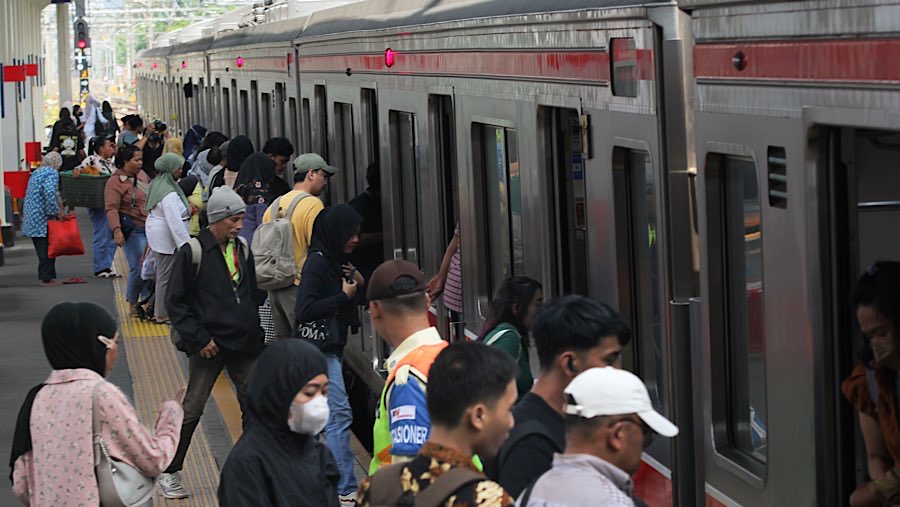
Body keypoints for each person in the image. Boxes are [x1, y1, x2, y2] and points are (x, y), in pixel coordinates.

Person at [10, 302, 183, 505]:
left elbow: (21, 483)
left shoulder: (36, 398)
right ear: (99, 346)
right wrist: (171, 414)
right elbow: (154, 459)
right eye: (115, 342)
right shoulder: (101, 395)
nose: (116, 353)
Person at [162, 186, 265, 499]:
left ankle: (249, 470)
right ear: (217, 219)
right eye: (234, 219)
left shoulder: (242, 248)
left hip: (244, 342)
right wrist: (199, 338)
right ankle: (169, 470)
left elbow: (251, 291)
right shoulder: (191, 252)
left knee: (254, 403)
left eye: (240, 219)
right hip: (209, 344)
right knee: (193, 406)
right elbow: (175, 302)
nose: (239, 225)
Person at [486, 295, 632, 498]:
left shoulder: (558, 423)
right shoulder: (531, 446)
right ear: (569, 363)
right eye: (609, 359)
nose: (616, 370)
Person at [358, 340, 517, 506]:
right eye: (509, 409)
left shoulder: (375, 486)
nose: (512, 422)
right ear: (478, 416)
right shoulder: (489, 500)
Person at [518, 367, 679, 506]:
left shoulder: (533, 492)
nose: (644, 443)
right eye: (646, 434)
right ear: (618, 434)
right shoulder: (613, 502)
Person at [294, 203, 364, 504]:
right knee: (338, 415)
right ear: (336, 232)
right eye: (351, 233)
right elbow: (304, 310)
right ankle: (345, 488)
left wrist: (356, 282)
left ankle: (328, 482)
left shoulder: (336, 261)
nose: (356, 239)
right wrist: (342, 296)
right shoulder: (318, 263)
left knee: (324, 418)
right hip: (319, 350)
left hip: (328, 349)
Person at [218, 337, 340, 506]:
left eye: (324, 392)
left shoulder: (320, 455)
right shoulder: (247, 464)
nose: (319, 403)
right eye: (309, 393)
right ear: (280, 392)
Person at [364, 259, 448, 474]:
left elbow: (409, 477)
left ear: (374, 309)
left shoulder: (407, 378)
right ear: (427, 301)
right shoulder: (451, 356)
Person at [842, 262, 900, 507]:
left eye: (882, 332)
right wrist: (884, 490)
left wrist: (874, 493)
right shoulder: (870, 381)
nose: (876, 345)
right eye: (869, 337)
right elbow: (876, 455)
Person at [261, 153, 335, 339]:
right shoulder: (312, 204)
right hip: (300, 287)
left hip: (275, 286)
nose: (325, 182)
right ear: (311, 174)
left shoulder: (273, 205)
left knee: (286, 346)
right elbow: (319, 248)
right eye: (323, 176)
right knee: (307, 345)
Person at [105, 144, 151, 316]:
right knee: (137, 267)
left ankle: (146, 301)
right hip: (133, 230)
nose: (140, 163)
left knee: (150, 267)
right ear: (125, 161)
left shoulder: (142, 176)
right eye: (136, 160)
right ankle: (133, 301)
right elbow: (111, 208)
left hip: (150, 228)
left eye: (141, 160)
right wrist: (116, 230)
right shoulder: (114, 182)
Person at [479, 276, 544, 398]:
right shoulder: (509, 338)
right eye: (538, 304)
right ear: (516, 308)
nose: (542, 309)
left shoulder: (511, 334)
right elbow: (491, 390)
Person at [145, 153, 190, 324]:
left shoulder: (158, 184)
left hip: (160, 237)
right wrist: (186, 245)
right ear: (170, 169)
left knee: (164, 276)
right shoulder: (168, 193)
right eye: (177, 167)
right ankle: (161, 313)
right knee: (165, 277)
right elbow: (174, 221)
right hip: (167, 240)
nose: (180, 170)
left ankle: (159, 310)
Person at [75, 135, 119, 279]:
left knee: (112, 234)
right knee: (102, 233)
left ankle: (107, 264)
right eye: (109, 146)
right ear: (101, 148)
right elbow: (79, 169)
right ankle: (100, 267)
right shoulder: (91, 160)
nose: (112, 148)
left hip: (112, 202)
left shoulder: (112, 163)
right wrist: (78, 171)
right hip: (98, 203)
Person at [21, 152, 64, 286]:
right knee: (48, 248)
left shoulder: (37, 173)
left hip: (32, 216)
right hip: (42, 218)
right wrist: (56, 212)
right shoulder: (51, 173)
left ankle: (48, 276)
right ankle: (47, 277)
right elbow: (49, 192)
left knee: (42, 248)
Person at [426, 222, 464, 340]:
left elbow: (452, 247)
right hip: (460, 292)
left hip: (453, 289)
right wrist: (441, 276)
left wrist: (442, 276)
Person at [347, 162, 383, 284]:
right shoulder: (359, 206)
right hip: (364, 266)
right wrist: (384, 236)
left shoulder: (377, 203)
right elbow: (349, 238)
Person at [234, 152, 276, 243]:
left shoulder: (238, 191)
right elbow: (263, 227)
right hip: (253, 246)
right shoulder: (260, 196)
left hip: (236, 243)